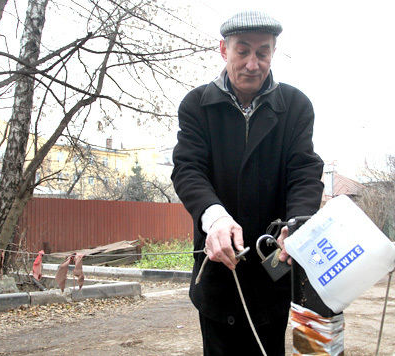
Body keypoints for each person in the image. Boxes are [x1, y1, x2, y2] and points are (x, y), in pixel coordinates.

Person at [171, 10, 324, 356]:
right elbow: (188, 169)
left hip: (272, 274)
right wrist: (215, 218)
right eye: (243, 51)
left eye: (262, 52)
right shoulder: (196, 106)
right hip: (216, 274)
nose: (252, 63)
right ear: (223, 50)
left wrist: (297, 224)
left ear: (273, 53)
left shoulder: (296, 107)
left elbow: (304, 170)